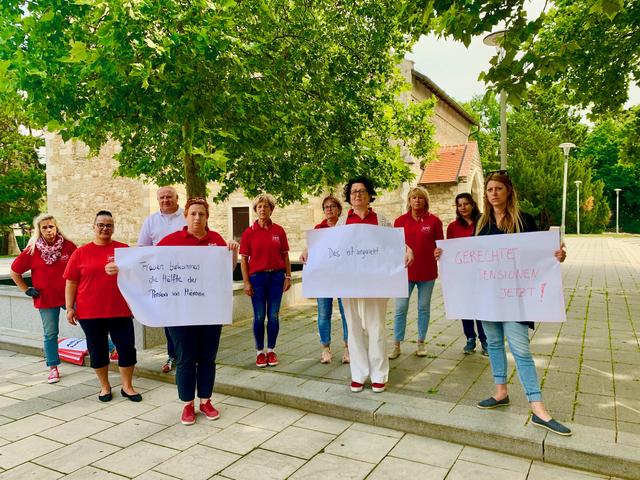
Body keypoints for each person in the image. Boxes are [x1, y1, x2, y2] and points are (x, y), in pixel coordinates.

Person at [436, 171, 571, 436]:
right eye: (489, 190)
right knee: (494, 343)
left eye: (498, 188)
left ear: (508, 191)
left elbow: (542, 254)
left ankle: (537, 407)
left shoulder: (525, 220)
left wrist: (558, 254)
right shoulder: (481, 223)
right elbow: (473, 258)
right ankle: (500, 392)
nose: (493, 193)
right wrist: (444, 255)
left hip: (516, 297)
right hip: (488, 295)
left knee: (520, 349)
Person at [154, 198, 239, 425]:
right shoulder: (170, 242)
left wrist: (232, 252)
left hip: (210, 311)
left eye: (201, 214)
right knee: (185, 358)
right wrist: (119, 268)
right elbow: (147, 264)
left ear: (207, 217)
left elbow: (227, 270)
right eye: (193, 214)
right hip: (179, 313)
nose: (197, 218)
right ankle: (187, 405)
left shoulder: (217, 241)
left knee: (208, 358)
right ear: (186, 216)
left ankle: (206, 400)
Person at [338, 176, 413, 393]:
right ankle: (358, 374)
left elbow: (395, 242)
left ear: (370, 194)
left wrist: (407, 249)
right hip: (349, 283)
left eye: (362, 191)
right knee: (353, 328)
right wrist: (309, 251)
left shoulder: (380, 220)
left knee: (376, 327)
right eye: (353, 192)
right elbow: (327, 246)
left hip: (375, 282)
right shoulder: (342, 222)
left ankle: (379, 374)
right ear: (349, 196)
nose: (357, 195)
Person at [64, 211, 141, 403]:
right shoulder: (80, 253)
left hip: (120, 311)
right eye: (101, 225)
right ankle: (105, 386)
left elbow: (138, 277)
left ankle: (127, 386)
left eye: (109, 225)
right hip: (90, 312)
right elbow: (71, 282)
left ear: (113, 228)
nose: (105, 228)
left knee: (126, 349)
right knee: (97, 351)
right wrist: (69, 307)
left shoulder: (123, 250)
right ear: (94, 226)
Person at [10, 214, 76, 384]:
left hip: (70, 296)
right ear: (39, 230)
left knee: (91, 324)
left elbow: (80, 269)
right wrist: (26, 289)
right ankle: (53, 368)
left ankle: (112, 348)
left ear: (56, 227)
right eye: (44, 227)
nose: (48, 230)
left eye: (51, 226)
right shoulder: (32, 250)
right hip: (46, 299)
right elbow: (14, 271)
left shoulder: (69, 247)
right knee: (50, 334)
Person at [137, 186, 186, 374]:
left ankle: (187, 354)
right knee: (168, 317)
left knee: (186, 315)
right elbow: (142, 248)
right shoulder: (151, 221)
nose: (166, 200)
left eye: (169, 197)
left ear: (177, 198)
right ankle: (173, 355)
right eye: (162, 197)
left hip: (186, 276)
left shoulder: (186, 217)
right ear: (158, 200)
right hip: (162, 278)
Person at [390, 186, 443, 359]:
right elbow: (394, 247)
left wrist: (439, 251)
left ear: (425, 201)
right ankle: (396, 344)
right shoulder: (400, 221)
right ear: (409, 200)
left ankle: (421, 342)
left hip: (427, 273)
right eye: (413, 197)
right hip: (405, 273)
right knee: (400, 308)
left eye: (420, 198)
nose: (417, 200)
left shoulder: (434, 221)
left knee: (423, 308)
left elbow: (440, 246)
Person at [240, 194, 292, 368]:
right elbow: (244, 260)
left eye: (266, 206)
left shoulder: (279, 230)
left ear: (271, 209)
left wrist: (288, 276)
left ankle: (271, 350)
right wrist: (246, 282)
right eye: (260, 207)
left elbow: (285, 256)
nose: (263, 209)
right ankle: (259, 352)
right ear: (255, 210)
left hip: (277, 277)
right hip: (258, 279)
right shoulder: (248, 233)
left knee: (274, 316)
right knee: (259, 316)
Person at [300, 195, 349, 364]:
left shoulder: (345, 227)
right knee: (323, 314)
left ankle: (347, 348)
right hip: (324, 279)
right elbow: (312, 248)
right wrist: (305, 251)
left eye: (332, 206)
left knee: (346, 314)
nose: (329, 209)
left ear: (339, 210)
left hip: (343, 278)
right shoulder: (318, 229)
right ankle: (325, 349)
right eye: (326, 207)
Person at [446, 192, 487, 355]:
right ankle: (470, 338)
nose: (463, 207)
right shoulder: (453, 227)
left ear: (473, 204)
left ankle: (485, 341)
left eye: (466, 204)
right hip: (462, 275)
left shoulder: (484, 222)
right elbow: (449, 251)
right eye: (459, 205)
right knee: (465, 307)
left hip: (483, 273)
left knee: (482, 308)